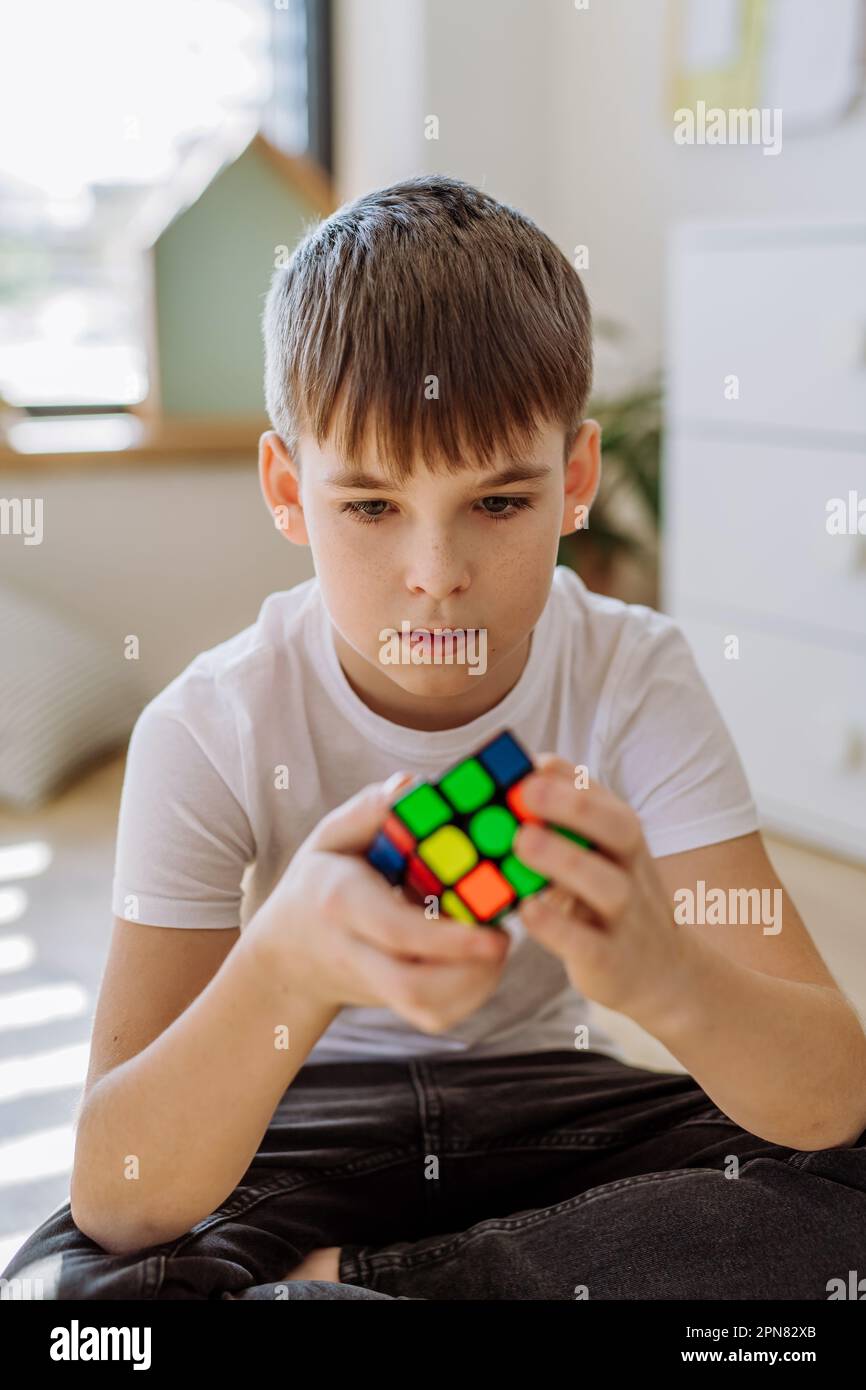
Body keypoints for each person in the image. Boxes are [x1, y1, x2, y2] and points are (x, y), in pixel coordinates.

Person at [5, 175, 866, 1302]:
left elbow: (827, 1093)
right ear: (285, 487)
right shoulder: (210, 724)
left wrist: (665, 975)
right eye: (368, 507)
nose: (434, 576)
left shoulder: (633, 673)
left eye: (498, 503)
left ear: (572, 481)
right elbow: (120, 1186)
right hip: (299, 1126)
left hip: (553, 1106)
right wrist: (283, 966)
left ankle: (366, 1285)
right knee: (78, 1296)